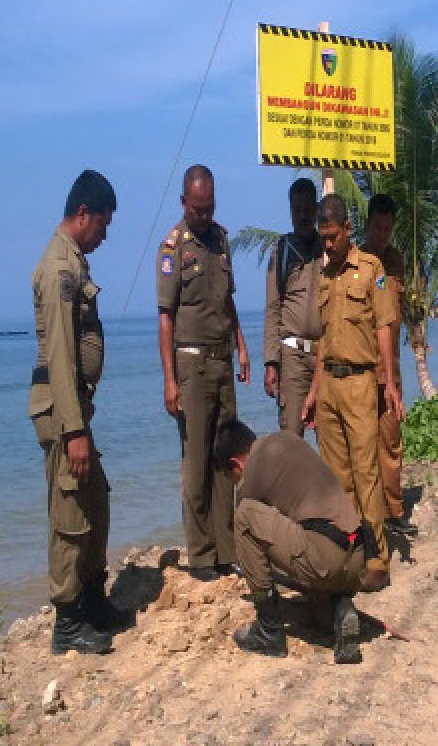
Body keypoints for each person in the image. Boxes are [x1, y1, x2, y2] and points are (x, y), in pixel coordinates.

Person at [28, 169, 131, 655]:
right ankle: (67, 621)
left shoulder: (76, 264)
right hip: (63, 414)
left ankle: (92, 598)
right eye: (103, 225)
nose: (106, 235)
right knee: (70, 511)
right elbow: (64, 359)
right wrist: (73, 432)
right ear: (83, 214)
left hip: (77, 413)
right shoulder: (59, 270)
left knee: (96, 500)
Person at [303, 194, 403, 592]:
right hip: (329, 384)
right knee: (336, 478)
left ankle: (378, 558)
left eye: (332, 236)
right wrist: (313, 392)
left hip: (362, 383)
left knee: (366, 474)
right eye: (322, 238)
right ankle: (350, 553)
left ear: (347, 230)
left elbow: (384, 327)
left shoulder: (371, 270)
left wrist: (390, 383)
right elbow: (324, 341)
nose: (327, 244)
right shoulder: (325, 278)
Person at [157, 165, 251, 581]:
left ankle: (225, 548)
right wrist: (170, 381)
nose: (204, 216)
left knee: (223, 456)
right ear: (183, 203)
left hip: (223, 360)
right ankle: (200, 554)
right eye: (197, 209)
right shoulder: (173, 248)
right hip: (191, 363)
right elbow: (165, 318)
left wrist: (243, 348)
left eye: (209, 208)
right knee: (195, 461)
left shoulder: (221, 241)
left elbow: (228, 302)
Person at [215, 419, 366, 664]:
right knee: (314, 609)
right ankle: (339, 609)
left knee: (244, 517)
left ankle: (269, 632)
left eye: (229, 477)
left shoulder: (251, 474)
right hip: (359, 557)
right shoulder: (288, 440)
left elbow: (248, 539)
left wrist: (262, 584)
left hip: (325, 557)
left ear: (236, 464)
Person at [360, 194, 416, 537]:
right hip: (365, 369)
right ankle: (369, 515)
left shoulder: (395, 261)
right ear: (367, 225)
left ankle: (394, 512)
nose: (383, 235)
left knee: (391, 441)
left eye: (388, 229)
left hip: (391, 370)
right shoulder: (358, 262)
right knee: (364, 445)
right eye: (378, 228)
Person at [262, 178, 323, 436]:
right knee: (291, 438)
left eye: (307, 209)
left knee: (330, 438)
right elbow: (273, 307)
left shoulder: (328, 248)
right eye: (296, 210)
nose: (302, 216)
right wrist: (270, 362)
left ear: (316, 210)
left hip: (324, 357)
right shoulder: (281, 251)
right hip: (292, 357)